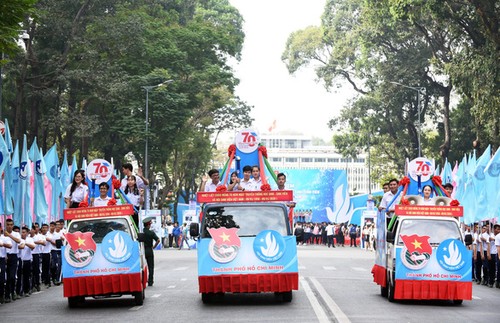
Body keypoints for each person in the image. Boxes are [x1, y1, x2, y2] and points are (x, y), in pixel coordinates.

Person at [4, 219, 22, 302]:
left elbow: (18, 241)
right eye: (8, 224)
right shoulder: (2, 234)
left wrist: (9, 235)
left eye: (11, 224)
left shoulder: (16, 234)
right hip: (4, 257)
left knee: (12, 276)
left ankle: (13, 291)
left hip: (14, 256)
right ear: (5, 225)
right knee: (6, 277)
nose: (9, 226)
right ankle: (6, 295)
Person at [143, 218, 160, 286]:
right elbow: (158, 240)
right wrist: (154, 247)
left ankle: (143, 280)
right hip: (149, 250)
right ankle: (150, 281)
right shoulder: (151, 233)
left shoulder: (141, 233)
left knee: (142, 267)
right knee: (151, 267)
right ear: (148, 225)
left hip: (143, 251)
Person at [20, 227, 35, 297]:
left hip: (27, 260)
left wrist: (25, 243)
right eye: (21, 232)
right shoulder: (18, 240)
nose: (22, 234)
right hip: (20, 260)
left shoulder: (30, 239)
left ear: (27, 233)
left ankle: (26, 290)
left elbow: (33, 246)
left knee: (26, 276)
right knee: (19, 276)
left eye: (24, 232)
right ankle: (19, 290)